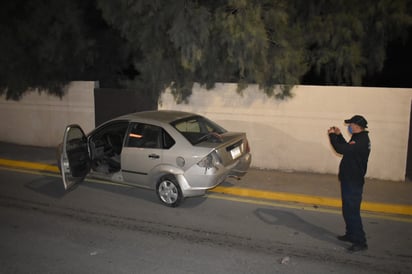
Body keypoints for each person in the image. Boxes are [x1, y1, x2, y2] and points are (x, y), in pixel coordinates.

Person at [328, 115, 371, 252]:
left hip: (353, 181)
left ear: (357, 126)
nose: (349, 127)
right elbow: (347, 148)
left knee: (352, 211)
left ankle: (360, 241)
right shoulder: (358, 138)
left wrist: (332, 137)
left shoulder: (361, 140)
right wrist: (339, 135)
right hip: (349, 179)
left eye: (350, 125)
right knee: (347, 209)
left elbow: (341, 150)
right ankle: (351, 234)